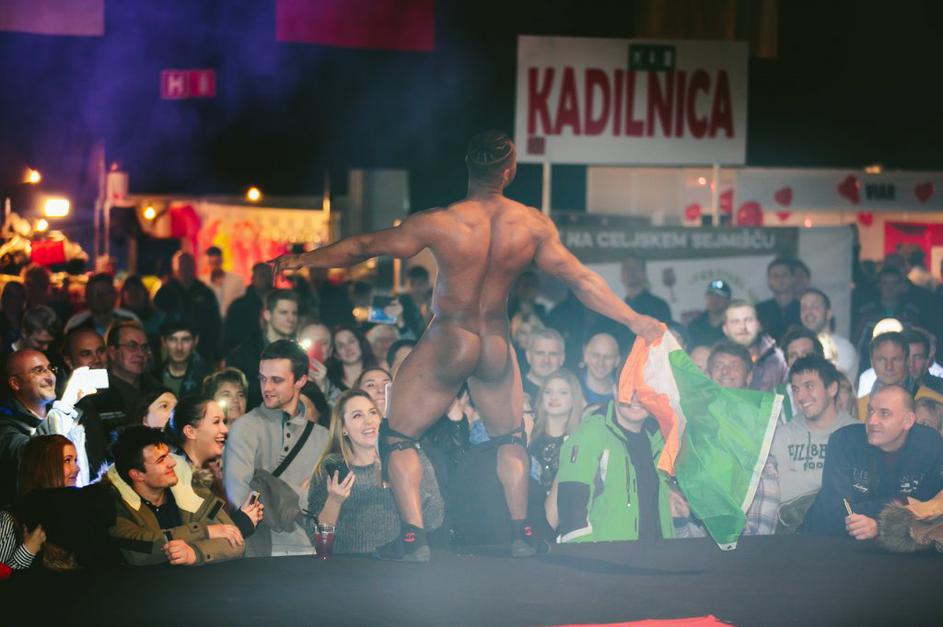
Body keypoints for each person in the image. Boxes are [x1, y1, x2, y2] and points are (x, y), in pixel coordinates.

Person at [273, 130, 661, 561]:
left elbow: (365, 246)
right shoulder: (531, 225)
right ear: (509, 172)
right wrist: (634, 319)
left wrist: (305, 258)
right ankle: (522, 533)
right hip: (495, 341)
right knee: (511, 437)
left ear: (469, 167)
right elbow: (581, 280)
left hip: (451, 337)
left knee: (398, 437)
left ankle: (413, 539)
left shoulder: (442, 221)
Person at [223, 340, 330, 556]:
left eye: (276, 380)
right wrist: (302, 493)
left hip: (308, 549)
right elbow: (240, 499)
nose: (267, 388)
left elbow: (326, 501)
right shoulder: (245, 427)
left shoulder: (322, 436)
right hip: (259, 550)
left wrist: (267, 487)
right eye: (262, 379)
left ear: (301, 380)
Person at [306, 390, 443, 555]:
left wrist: (405, 482)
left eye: (372, 412)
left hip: (396, 562)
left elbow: (434, 520)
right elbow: (317, 541)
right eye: (357, 415)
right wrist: (334, 501)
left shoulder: (408, 457)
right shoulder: (333, 467)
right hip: (346, 565)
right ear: (343, 428)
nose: (368, 421)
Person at [801, 385, 943, 540]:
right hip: (825, 539)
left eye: (884, 413)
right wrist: (904, 502)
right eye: (870, 411)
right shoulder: (843, 441)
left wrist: (879, 525)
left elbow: (933, 511)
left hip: (901, 544)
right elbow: (835, 513)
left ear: (908, 420)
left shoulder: (930, 445)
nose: (871, 421)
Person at [555, 390, 685, 542]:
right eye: (629, 390)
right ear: (615, 391)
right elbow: (572, 514)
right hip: (610, 555)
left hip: (659, 553)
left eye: (642, 391)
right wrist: (589, 556)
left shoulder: (658, 438)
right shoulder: (590, 435)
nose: (636, 399)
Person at [106, 426, 246, 565]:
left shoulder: (194, 491)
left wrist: (194, 553)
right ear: (137, 475)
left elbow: (236, 542)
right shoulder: (114, 508)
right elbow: (140, 552)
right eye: (161, 460)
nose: (172, 462)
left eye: (168, 454)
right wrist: (204, 531)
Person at [769, 356, 857, 533]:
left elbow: (858, 489)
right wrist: (833, 476)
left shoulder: (856, 434)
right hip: (794, 535)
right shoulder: (782, 434)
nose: (800, 397)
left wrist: (800, 479)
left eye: (809, 386)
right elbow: (778, 489)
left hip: (843, 533)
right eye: (795, 389)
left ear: (832, 388)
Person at [703, 342, 780, 536]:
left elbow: (767, 478)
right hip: (698, 536)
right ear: (708, 374)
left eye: (734, 365)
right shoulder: (695, 418)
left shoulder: (762, 419)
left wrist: (754, 538)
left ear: (749, 376)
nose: (725, 371)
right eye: (719, 365)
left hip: (749, 535)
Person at [0, 349, 91, 505]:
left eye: (50, 369)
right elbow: (36, 456)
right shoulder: (5, 427)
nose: (50, 377)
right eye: (38, 370)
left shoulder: (73, 416)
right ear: (15, 383)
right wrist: (65, 405)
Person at [164, 395, 263, 538]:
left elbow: (212, 528)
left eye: (224, 422)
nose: (225, 429)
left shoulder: (206, 478)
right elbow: (190, 539)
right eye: (216, 422)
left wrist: (243, 515)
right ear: (190, 431)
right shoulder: (176, 479)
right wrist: (242, 524)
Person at [0, 435, 76, 569]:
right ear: (44, 468)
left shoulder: (74, 512)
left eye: (75, 460)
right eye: (67, 461)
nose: (77, 468)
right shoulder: (11, 521)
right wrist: (27, 550)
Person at [225, 289, 300, 411]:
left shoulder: (299, 352)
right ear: (267, 315)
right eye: (283, 312)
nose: (290, 318)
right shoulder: (243, 355)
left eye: (294, 313)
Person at [856, 332, 943, 420]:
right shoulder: (858, 407)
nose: (889, 367)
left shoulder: (937, 404)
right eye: (881, 360)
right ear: (872, 362)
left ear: (906, 361)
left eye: (896, 359)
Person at [154, 252, 221, 363]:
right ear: (174, 268)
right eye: (182, 265)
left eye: (189, 265)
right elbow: (157, 323)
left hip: (202, 352)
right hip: (173, 352)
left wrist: (215, 352)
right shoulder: (164, 293)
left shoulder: (204, 292)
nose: (185, 269)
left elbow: (215, 323)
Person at [530, 369, 585, 495]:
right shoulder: (529, 433)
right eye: (548, 392)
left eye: (563, 392)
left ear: (574, 398)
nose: (553, 397)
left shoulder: (581, 440)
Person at [721, 300, 787, 392]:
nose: (743, 327)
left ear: (759, 325)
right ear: (725, 329)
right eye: (735, 322)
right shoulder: (713, 359)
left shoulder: (779, 359)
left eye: (748, 320)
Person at [800, 288, 858, 380]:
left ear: (828, 314)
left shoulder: (842, 347)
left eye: (814, 307)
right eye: (804, 308)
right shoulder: (799, 347)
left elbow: (832, 381)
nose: (808, 312)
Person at [64, 273, 139, 337]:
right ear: (87, 297)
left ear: (114, 295)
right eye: (94, 293)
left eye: (105, 292)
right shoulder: (75, 324)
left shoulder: (129, 320)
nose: (100, 297)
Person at [222, 262, 272, 355]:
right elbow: (230, 335)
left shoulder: (279, 302)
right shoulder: (239, 306)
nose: (265, 278)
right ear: (253, 278)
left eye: (267, 275)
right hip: (246, 354)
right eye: (261, 275)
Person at [156, 319, 210, 398]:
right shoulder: (153, 378)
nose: (179, 348)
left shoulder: (207, 379)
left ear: (195, 341)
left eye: (185, 340)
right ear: (163, 342)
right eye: (173, 339)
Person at [755, 258, 801, 344]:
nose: (780, 280)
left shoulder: (803, 309)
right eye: (775, 276)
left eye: (785, 275)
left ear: (793, 279)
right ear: (769, 281)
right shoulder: (760, 310)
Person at [325, 326, 377, 392]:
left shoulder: (377, 376)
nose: (348, 348)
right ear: (336, 354)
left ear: (361, 343)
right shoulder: (329, 385)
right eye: (341, 345)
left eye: (351, 341)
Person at [522, 328, 566, 404]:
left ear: (562, 358)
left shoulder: (571, 394)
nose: (546, 360)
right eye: (540, 353)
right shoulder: (514, 391)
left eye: (553, 354)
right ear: (528, 356)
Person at [686, 279, 732, 349]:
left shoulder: (733, 325)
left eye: (719, 296)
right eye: (710, 295)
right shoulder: (695, 325)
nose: (714, 299)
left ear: (728, 300)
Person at [202, 246, 246, 318]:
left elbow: (243, 305)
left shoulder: (236, 281)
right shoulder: (202, 283)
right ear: (207, 263)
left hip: (233, 320)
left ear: (222, 260)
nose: (214, 267)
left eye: (216, 263)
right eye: (211, 263)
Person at [579, 332, 619, 408]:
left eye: (608, 357)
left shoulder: (622, 394)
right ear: (585, 355)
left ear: (617, 360)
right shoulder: (571, 389)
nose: (601, 363)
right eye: (596, 355)